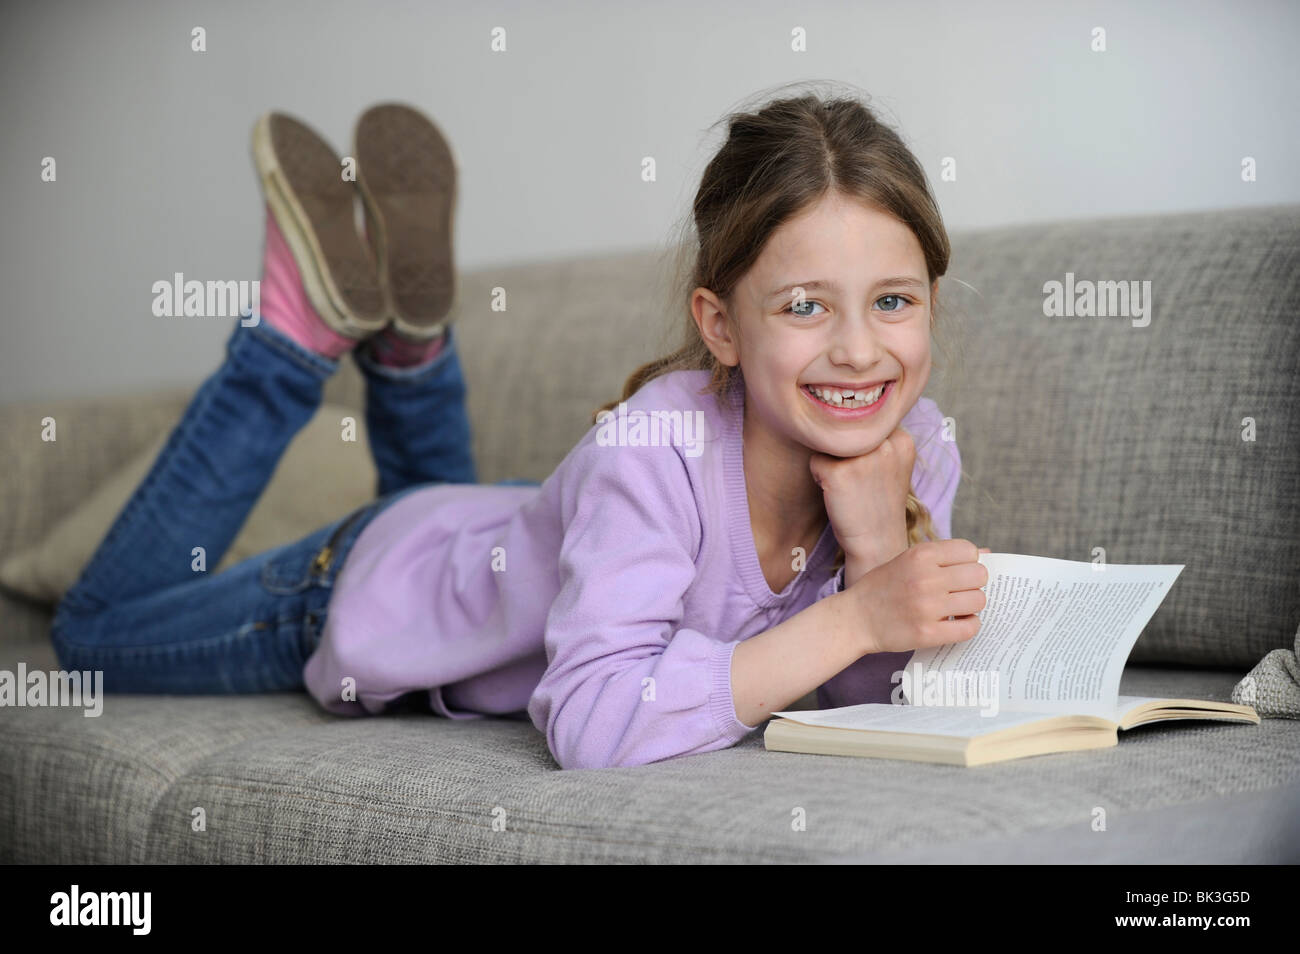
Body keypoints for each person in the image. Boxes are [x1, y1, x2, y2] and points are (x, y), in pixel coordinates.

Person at [52, 88, 990, 771]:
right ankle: (294, 340)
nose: (862, 351)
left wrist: (873, 552)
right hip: (368, 582)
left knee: (475, 540)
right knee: (88, 637)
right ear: (718, 326)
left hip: (498, 538)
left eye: (894, 301)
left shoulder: (915, 443)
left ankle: (413, 348)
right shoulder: (653, 445)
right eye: (804, 306)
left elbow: (865, 704)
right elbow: (590, 722)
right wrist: (858, 612)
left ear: (933, 302)